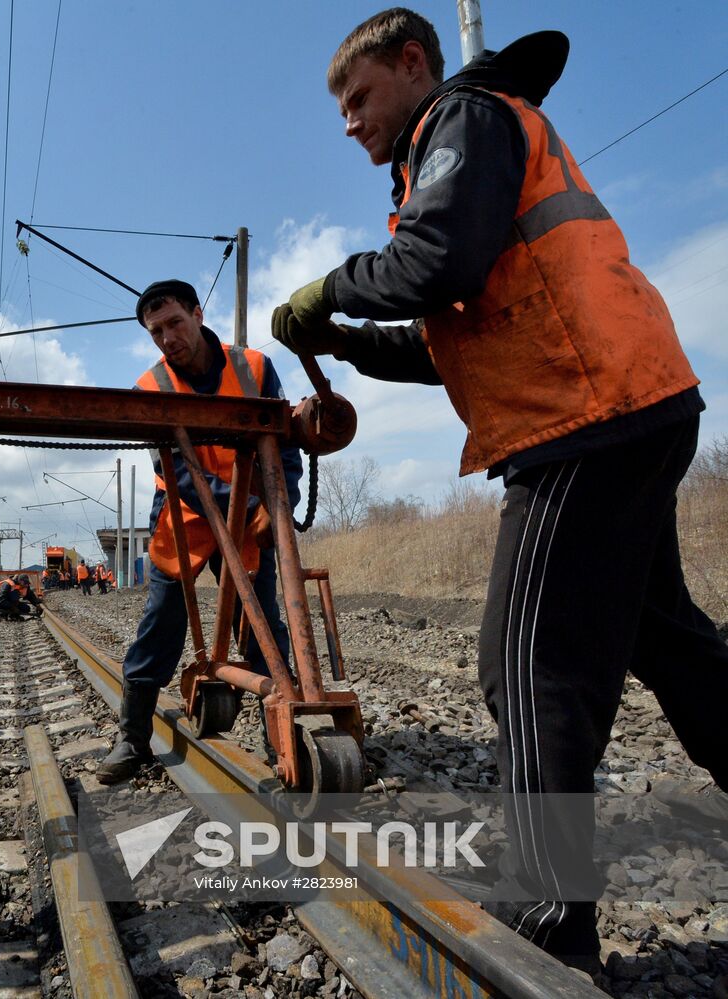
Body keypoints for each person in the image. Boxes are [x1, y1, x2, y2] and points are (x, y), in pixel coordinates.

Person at [273, 8, 728, 968]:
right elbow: (454, 335)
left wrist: (329, 289)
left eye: (359, 98)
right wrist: (348, 339)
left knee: (522, 663)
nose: (349, 121)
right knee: (669, 642)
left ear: (411, 65)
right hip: (630, 398)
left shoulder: (464, 121)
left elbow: (434, 264)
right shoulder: (461, 151)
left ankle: (550, 916)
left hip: (585, 416)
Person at [98, 279, 302, 786]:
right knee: (162, 622)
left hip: (251, 510)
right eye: (156, 332)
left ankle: (286, 734)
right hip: (185, 515)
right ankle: (132, 737)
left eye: (175, 323)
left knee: (262, 621)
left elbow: (287, 444)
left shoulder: (254, 367)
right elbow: (180, 476)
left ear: (197, 312)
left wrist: (278, 506)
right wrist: (244, 505)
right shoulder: (151, 390)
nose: (167, 338)